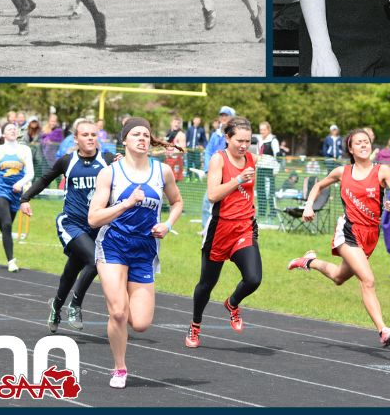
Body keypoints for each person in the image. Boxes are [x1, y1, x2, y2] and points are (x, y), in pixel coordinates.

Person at [287, 128, 390, 346]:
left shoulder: (382, 171)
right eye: (359, 142)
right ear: (350, 148)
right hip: (348, 231)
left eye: (367, 141)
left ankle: (308, 261)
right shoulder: (342, 172)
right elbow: (318, 186)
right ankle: (383, 330)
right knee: (368, 280)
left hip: (370, 235)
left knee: (338, 277)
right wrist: (308, 206)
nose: (364, 145)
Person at [88, 118, 184, 388]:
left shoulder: (162, 171)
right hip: (113, 245)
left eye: (146, 134)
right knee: (118, 312)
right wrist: (126, 204)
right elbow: (94, 219)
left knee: (140, 323)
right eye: (136, 134)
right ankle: (120, 368)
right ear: (125, 141)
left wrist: (167, 224)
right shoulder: (110, 173)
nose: (142, 138)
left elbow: (177, 202)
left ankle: (120, 302)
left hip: (145, 249)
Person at [20, 118, 117, 332]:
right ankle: (75, 304)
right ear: (76, 138)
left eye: (94, 135)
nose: (90, 138)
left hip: (97, 227)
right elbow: (45, 179)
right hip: (72, 223)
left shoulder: (109, 159)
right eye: (85, 135)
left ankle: (56, 305)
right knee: (94, 261)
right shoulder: (67, 161)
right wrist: (25, 199)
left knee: (72, 270)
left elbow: (129, 174)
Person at [185, 118, 262, 348]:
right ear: (227, 138)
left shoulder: (252, 159)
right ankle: (195, 325)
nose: (244, 145)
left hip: (244, 227)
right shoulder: (218, 159)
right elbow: (212, 195)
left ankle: (232, 303)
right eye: (239, 140)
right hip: (220, 229)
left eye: (248, 141)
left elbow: (250, 190)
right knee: (206, 285)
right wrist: (238, 179)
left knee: (253, 279)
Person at [0, 122, 35, 272]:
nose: (12, 130)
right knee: (6, 225)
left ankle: (5, 237)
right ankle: (11, 261)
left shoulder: (24, 150)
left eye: (14, 129)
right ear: (3, 134)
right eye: (9, 129)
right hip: (0, 191)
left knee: (6, 225)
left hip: (16, 193)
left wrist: (21, 183)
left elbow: (30, 173)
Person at [202, 107, 235, 230]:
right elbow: (208, 152)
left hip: (229, 173)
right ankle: (206, 229)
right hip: (215, 172)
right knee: (207, 200)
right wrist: (207, 168)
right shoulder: (215, 134)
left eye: (226, 115)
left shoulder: (234, 133)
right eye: (221, 115)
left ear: (232, 116)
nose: (223, 118)